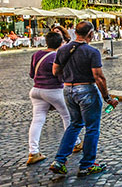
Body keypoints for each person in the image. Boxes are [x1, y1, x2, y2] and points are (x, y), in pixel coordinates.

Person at [49, 21, 118, 178]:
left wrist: (70, 73)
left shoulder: (63, 49)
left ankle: (59, 161)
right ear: (91, 34)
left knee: (74, 124)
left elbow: (55, 71)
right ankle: (87, 165)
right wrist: (107, 98)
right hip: (86, 89)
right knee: (92, 128)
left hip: (68, 89)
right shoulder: (92, 51)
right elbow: (99, 77)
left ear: (76, 33)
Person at [27, 32, 82, 165]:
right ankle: (76, 143)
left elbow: (32, 74)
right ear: (60, 43)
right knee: (68, 116)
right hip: (54, 90)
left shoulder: (36, 54)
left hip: (36, 90)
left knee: (37, 120)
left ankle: (33, 152)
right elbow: (61, 76)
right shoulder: (57, 56)